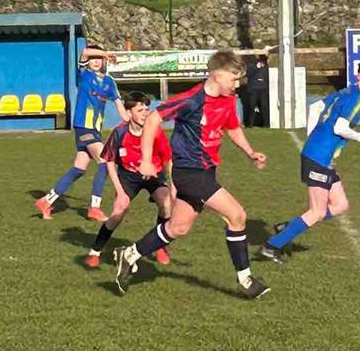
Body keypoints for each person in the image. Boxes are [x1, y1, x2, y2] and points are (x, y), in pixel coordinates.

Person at [111, 50, 269, 300]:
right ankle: (246, 280)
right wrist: (146, 160)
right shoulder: (192, 99)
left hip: (206, 171)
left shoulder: (227, 99)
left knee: (178, 227)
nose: (237, 84)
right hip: (189, 172)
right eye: (234, 78)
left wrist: (250, 152)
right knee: (237, 215)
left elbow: (232, 127)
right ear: (217, 75)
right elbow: (152, 120)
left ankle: (129, 254)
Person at [261, 56, 360, 263]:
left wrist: (313, 136)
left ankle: (288, 227)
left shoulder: (346, 92)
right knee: (317, 212)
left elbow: (315, 107)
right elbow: (339, 128)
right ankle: (271, 246)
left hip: (321, 156)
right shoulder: (356, 98)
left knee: (340, 204)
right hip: (318, 158)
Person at [36, 44, 127, 221]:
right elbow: (85, 52)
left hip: (95, 130)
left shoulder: (109, 82)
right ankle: (94, 208)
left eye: (98, 59)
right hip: (83, 127)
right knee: (104, 161)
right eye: (93, 58)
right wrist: (106, 53)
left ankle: (46, 201)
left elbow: (119, 104)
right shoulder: (85, 75)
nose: (95, 61)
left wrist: (130, 121)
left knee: (79, 169)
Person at [85, 92, 173, 269]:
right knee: (119, 210)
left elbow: (167, 159)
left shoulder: (155, 130)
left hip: (154, 174)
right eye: (140, 110)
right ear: (128, 112)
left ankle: (160, 246)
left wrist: (172, 186)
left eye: (147, 110)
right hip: (128, 175)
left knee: (166, 205)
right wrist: (120, 191)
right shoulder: (119, 132)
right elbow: (109, 161)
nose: (145, 114)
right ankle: (95, 251)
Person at [244, 53, 271, 127]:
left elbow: (269, 77)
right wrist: (257, 67)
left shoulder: (267, 67)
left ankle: (266, 124)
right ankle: (250, 124)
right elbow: (247, 74)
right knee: (252, 106)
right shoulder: (252, 65)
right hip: (254, 90)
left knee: (265, 107)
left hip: (264, 89)